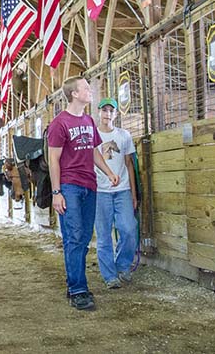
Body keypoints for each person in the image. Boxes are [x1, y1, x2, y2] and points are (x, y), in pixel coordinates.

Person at [46, 77, 121, 311]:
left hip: (90, 185)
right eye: (86, 88)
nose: (90, 91)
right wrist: (56, 192)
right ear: (74, 94)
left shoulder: (88, 120)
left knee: (85, 237)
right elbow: (53, 159)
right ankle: (78, 289)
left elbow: (94, 151)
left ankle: (74, 283)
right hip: (69, 185)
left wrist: (108, 172)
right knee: (75, 236)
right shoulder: (59, 124)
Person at [95, 97, 138, 289]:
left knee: (128, 229)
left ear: (115, 114)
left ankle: (122, 265)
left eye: (111, 111)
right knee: (104, 234)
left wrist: (134, 194)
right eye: (104, 110)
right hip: (100, 190)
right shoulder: (93, 136)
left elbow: (130, 164)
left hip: (122, 190)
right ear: (99, 112)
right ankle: (109, 275)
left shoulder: (124, 135)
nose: (107, 114)